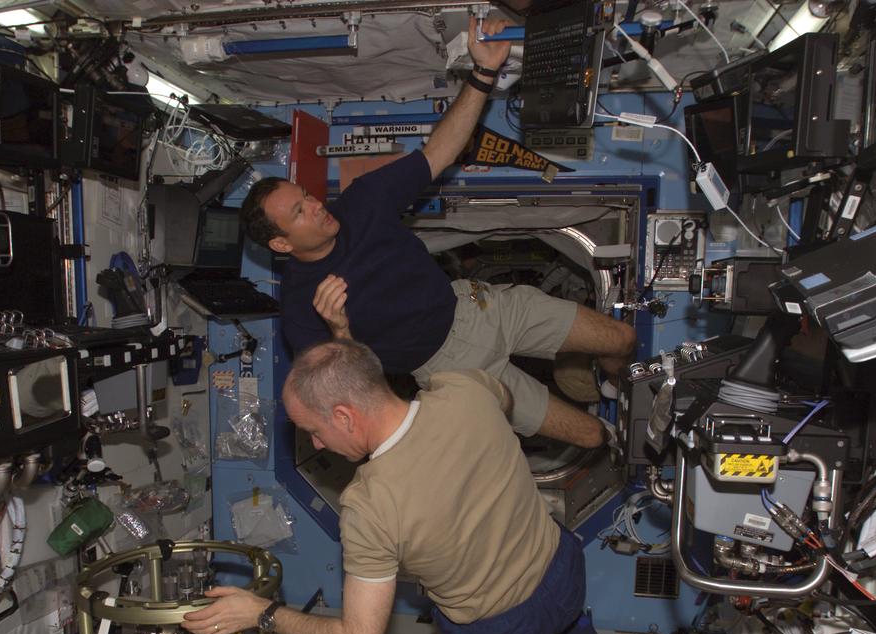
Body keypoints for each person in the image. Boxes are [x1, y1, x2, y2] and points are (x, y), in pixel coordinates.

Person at [183, 339, 626, 634]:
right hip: (565, 572)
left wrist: (262, 612)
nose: (316, 444)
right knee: (563, 615)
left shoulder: (369, 503)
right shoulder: (462, 389)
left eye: (314, 431)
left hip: (503, 631)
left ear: (344, 416)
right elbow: (507, 399)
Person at [239, 16, 637, 450]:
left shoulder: (362, 201)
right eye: (300, 211)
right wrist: (339, 331)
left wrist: (483, 74)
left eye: (307, 196)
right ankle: (616, 438)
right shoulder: (302, 309)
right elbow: (350, 397)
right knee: (592, 435)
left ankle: (613, 381)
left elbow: (438, 151)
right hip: (452, 370)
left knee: (622, 338)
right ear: (281, 243)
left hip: (480, 309)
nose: (317, 204)